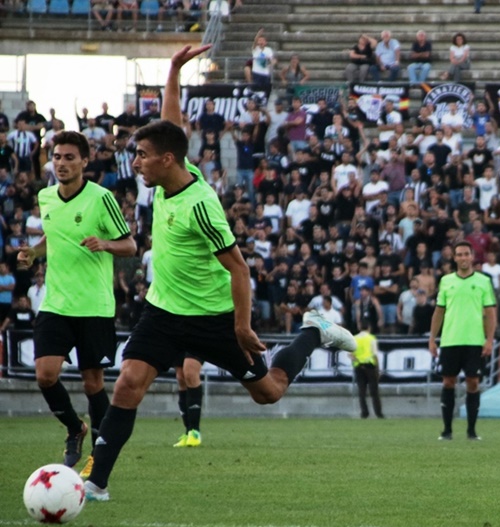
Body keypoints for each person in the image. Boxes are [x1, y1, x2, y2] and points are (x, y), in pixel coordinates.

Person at [82, 45, 357, 503]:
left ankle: (314, 331)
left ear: (166, 160)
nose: (136, 162)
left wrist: (242, 327)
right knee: (130, 381)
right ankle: (97, 482)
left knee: (269, 392)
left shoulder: (201, 205)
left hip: (215, 316)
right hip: (164, 310)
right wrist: (173, 70)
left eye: (143, 155)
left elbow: (239, 267)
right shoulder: (172, 170)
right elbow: (170, 122)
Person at [16, 130, 137, 475]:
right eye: (57, 157)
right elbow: (52, 238)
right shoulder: (46, 197)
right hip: (56, 303)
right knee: (45, 375)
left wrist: (105, 244)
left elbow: (129, 245)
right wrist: (33, 253)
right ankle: (75, 428)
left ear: (85, 161)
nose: (62, 164)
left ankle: (98, 457)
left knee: (93, 383)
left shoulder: (101, 198)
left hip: (94, 306)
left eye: (70, 158)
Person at [428, 242, 496, 441]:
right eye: (459, 254)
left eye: (467, 254)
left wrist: (490, 339)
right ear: (455, 258)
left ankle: (472, 431)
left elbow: (491, 313)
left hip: (475, 341)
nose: (463, 257)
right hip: (450, 340)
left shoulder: (483, 281)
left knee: (473, 383)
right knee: (448, 381)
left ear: (472, 256)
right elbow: (439, 311)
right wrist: (432, 339)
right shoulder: (446, 281)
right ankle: (447, 430)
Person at [352, 319, 384, 419]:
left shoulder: (354, 338)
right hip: (370, 366)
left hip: (358, 366)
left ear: (360, 327)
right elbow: (375, 355)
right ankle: (378, 413)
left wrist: (358, 360)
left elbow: (350, 355)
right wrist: (378, 369)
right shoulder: (371, 338)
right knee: (374, 392)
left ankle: (364, 413)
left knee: (362, 391)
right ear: (369, 328)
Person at [172, 354, 204, 447]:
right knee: (181, 377)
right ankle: (188, 431)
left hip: (198, 339)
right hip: (178, 340)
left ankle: (195, 432)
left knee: (190, 373)